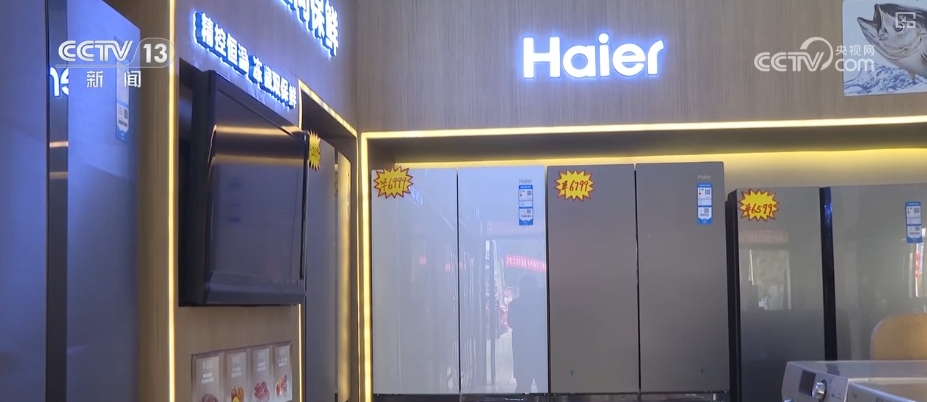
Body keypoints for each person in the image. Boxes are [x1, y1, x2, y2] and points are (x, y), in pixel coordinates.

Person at [506, 275, 547, 393]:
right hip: (540, 351)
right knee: (543, 386)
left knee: (523, 386)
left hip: (521, 351)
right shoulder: (543, 304)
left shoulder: (514, 305)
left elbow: (511, 323)